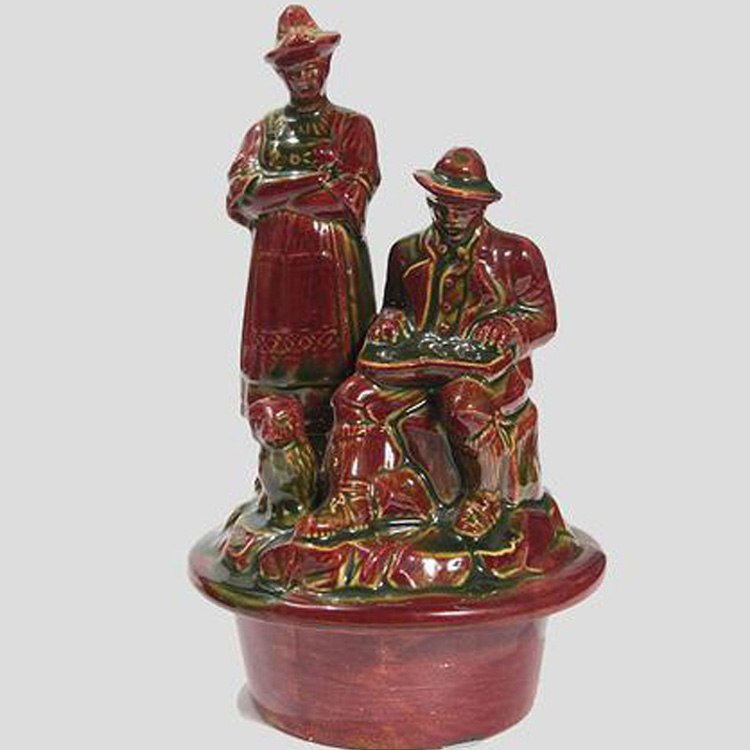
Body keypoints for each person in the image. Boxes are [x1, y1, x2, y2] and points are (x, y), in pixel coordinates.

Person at [302, 147, 557, 540]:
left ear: (481, 207)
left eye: (462, 209)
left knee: (462, 404)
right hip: (417, 365)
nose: (451, 217)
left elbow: (544, 317)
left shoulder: (515, 254)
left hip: (487, 374)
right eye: (443, 206)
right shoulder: (406, 252)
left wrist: (510, 327)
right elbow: (395, 307)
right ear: (430, 202)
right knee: (354, 397)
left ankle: (485, 496)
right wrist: (391, 322)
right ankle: (351, 501)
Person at [226, 6, 380, 453]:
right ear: (282, 75)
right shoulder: (264, 130)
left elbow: (348, 198)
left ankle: (339, 462)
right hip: (275, 275)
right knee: (278, 380)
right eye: (295, 70)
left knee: (338, 373)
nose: (306, 77)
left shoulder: (353, 127)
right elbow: (242, 198)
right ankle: (283, 466)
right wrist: (312, 181)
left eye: (313, 67)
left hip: (333, 269)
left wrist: (276, 192)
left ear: (327, 66)